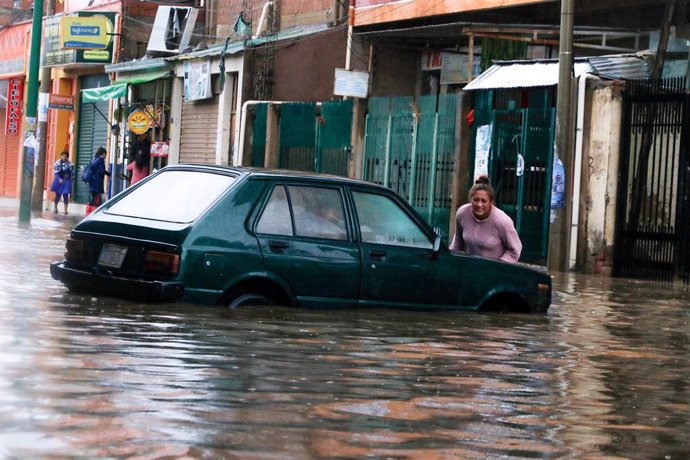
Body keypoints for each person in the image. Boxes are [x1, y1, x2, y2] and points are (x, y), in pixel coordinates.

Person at [449, 175, 522, 263]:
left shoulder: (502, 221)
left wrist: (499, 265)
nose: (479, 205)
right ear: (470, 199)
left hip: (493, 271)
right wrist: (451, 259)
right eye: (475, 200)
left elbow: (515, 250)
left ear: (491, 202)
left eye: (484, 201)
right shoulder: (462, 213)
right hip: (469, 268)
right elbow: (457, 240)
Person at [85, 147, 111, 216]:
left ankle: (88, 212)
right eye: (105, 154)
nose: (105, 156)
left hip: (92, 183)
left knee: (92, 198)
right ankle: (95, 214)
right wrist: (108, 173)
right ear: (103, 153)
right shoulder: (101, 160)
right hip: (97, 183)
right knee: (96, 199)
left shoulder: (94, 159)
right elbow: (102, 170)